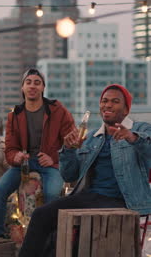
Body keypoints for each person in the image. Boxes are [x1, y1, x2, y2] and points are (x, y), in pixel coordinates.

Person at [19, 84, 151, 257]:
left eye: (115, 101)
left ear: (126, 109)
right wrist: (68, 150)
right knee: (41, 214)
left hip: (123, 200)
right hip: (89, 197)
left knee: (83, 232)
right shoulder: (91, 137)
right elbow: (69, 175)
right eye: (104, 101)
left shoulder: (141, 129)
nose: (108, 105)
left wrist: (131, 137)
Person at [0, 68, 75, 238]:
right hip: (25, 164)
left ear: (43, 87)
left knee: (52, 194)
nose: (32, 86)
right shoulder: (14, 115)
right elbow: (10, 148)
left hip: (50, 163)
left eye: (37, 83)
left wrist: (53, 157)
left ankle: (52, 240)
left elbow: (71, 142)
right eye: (28, 82)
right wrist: (16, 157)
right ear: (22, 88)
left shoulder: (57, 109)